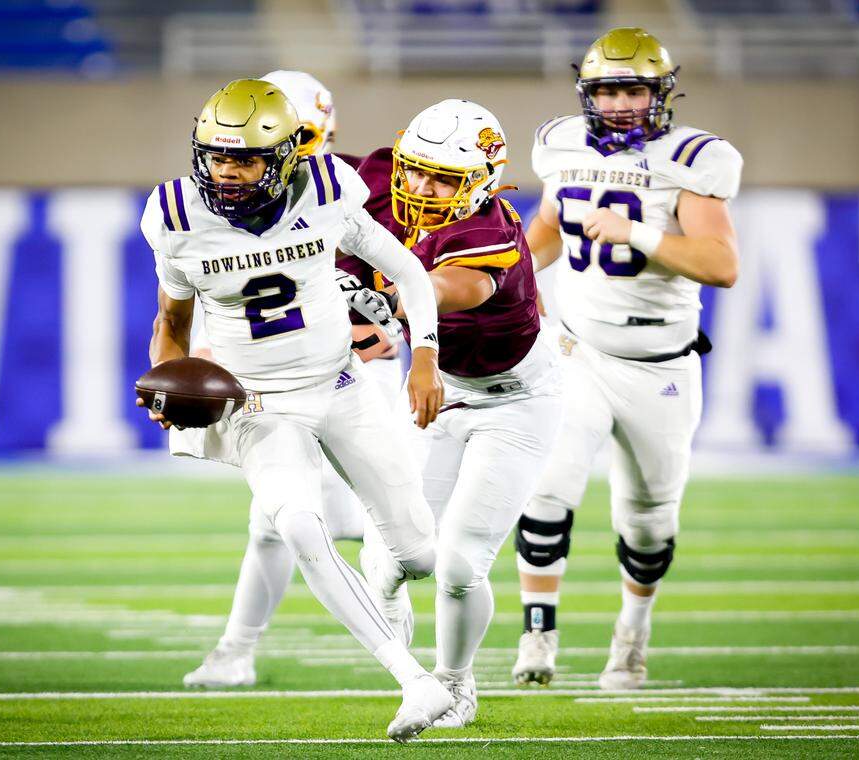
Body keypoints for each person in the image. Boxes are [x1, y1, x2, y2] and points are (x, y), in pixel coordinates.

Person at [137, 79, 453, 741]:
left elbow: (411, 274)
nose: (225, 172)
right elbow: (172, 319)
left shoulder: (329, 189)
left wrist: (424, 354)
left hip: (340, 385)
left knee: (421, 556)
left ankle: (401, 622)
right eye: (215, 156)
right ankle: (413, 680)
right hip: (254, 402)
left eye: (245, 158)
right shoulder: (175, 214)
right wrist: (166, 377)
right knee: (298, 525)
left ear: (284, 157)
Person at [510, 27, 742, 690]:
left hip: (660, 364)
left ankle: (632, 637)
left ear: (660, 93)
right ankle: (538, 635)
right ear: (586, 93)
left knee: (646, 520)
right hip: (578, 348)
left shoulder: (693, 159)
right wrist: (508, 281)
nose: (618, 103)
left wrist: (639, 231)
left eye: (632, 88)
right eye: (607, 89)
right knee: (549, 483)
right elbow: (551, 227)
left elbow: (723, 265)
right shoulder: (562, 143)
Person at [180, 70, 403, 691]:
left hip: (358, 375)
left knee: (381, 522)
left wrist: (400, 325)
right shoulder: (217, 202)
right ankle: (236, 649)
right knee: (275, 520)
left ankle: (402, 645)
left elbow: (415, 267)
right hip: (275, 382)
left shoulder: (355, 184)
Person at [345, 99, 562, 727]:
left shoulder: (488, 233)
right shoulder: (384, 179)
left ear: (483, 181)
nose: (420, 187)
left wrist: (380, 301)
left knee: (461, 565)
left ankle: (455, 683)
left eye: (442, 177)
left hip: (515, 405)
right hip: (444, 397)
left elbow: (437, 288)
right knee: (391, 553)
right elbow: (315, 182)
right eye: (416, 170)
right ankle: (393, 619)